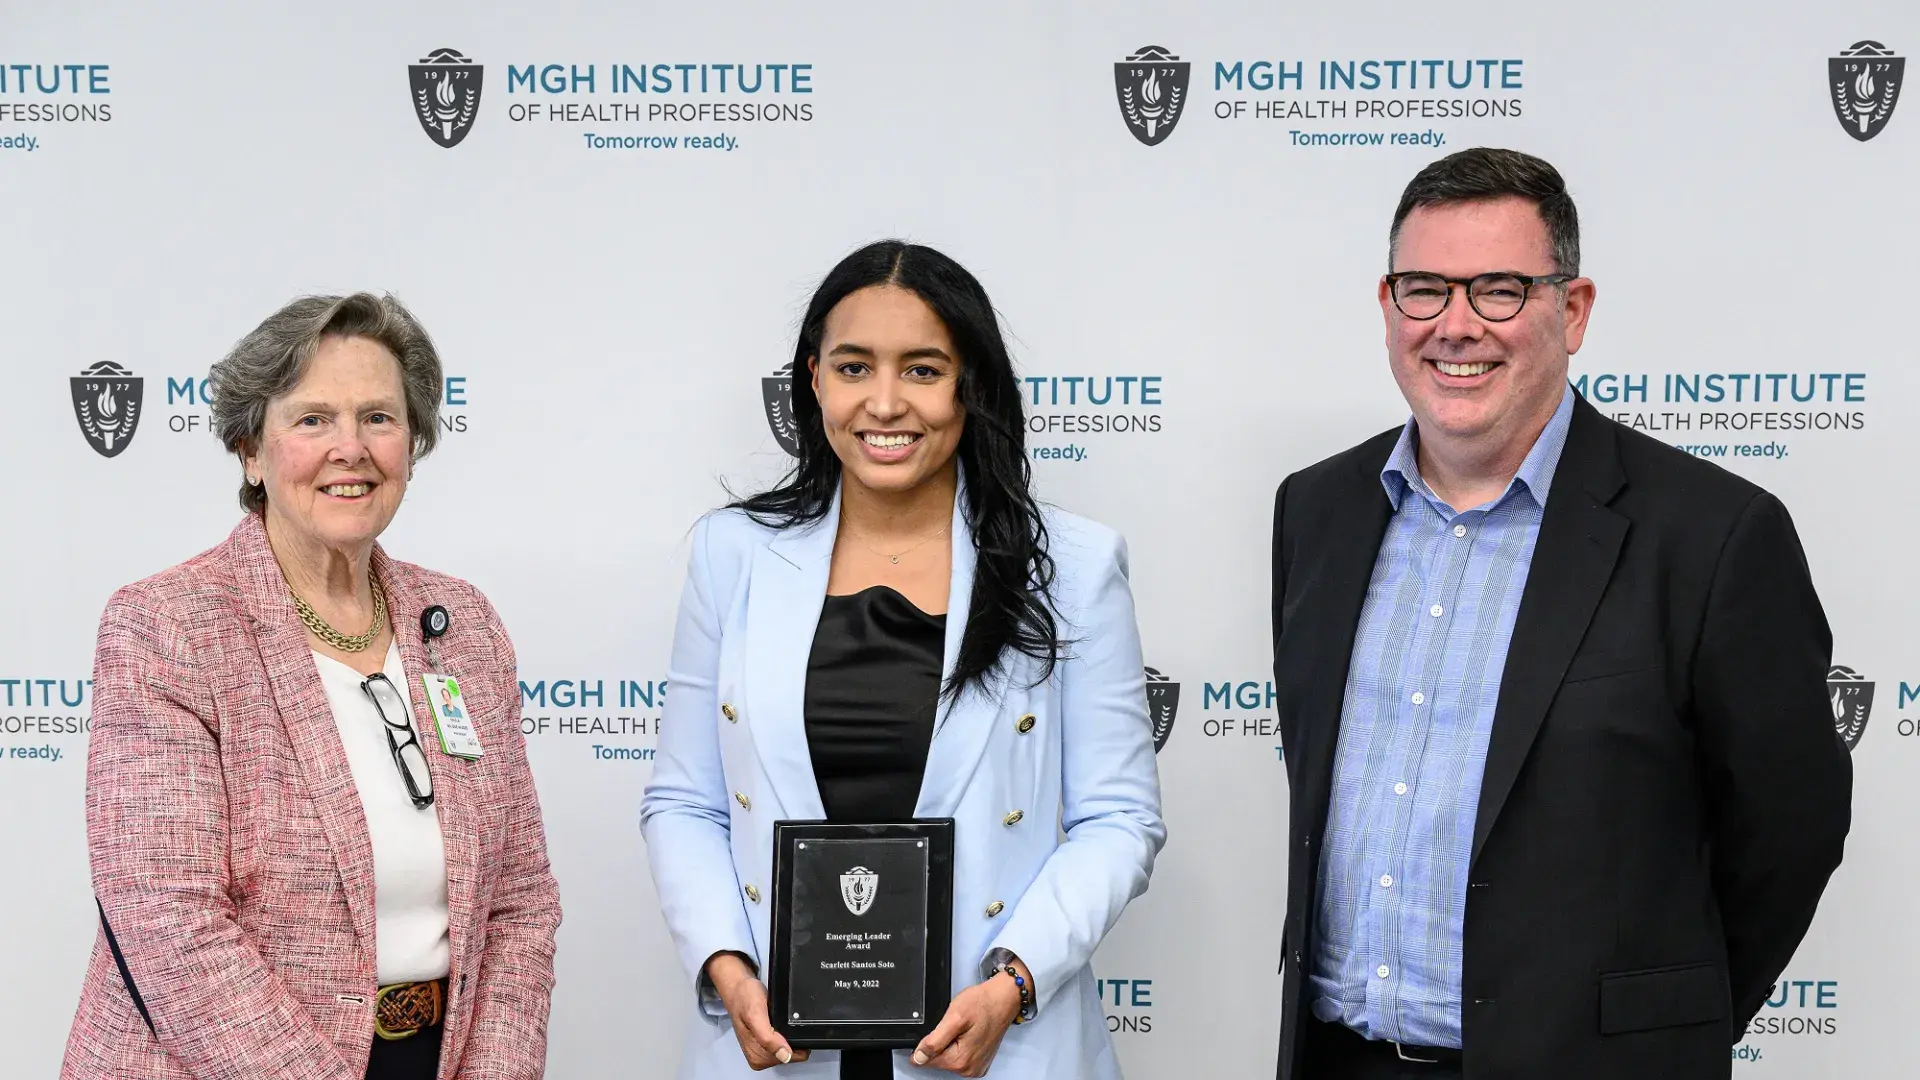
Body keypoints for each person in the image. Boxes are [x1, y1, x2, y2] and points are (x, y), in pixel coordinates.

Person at [1269, 148, 1851, 1079]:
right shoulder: (1317, 510)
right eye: (1424, 289)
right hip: (1340, 1056)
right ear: (1387, 306)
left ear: (1571, 311)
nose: (1456, 327)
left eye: (1499, 290)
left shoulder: (1714, 536)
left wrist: (1656, 1025)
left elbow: (1789, 834)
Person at [642, 240, 1165, 1079]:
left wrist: (1015, 980)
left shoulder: (1070, 565)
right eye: (855, 367)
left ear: (972, 386)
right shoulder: (731, 555)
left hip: (994, 1043)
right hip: (777, 1046)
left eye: (923, 370)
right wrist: (726, 968)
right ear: (812, 381)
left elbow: (1119, 819)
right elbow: (684, 801)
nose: (884, 404)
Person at [62, 294, 562, 1080]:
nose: (351, 448)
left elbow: (521, 901)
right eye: (312, 420)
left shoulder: (460, 623)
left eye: (379, 418)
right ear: (250, 452)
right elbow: (167, 918)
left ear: (415, 441)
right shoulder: (170, 627)